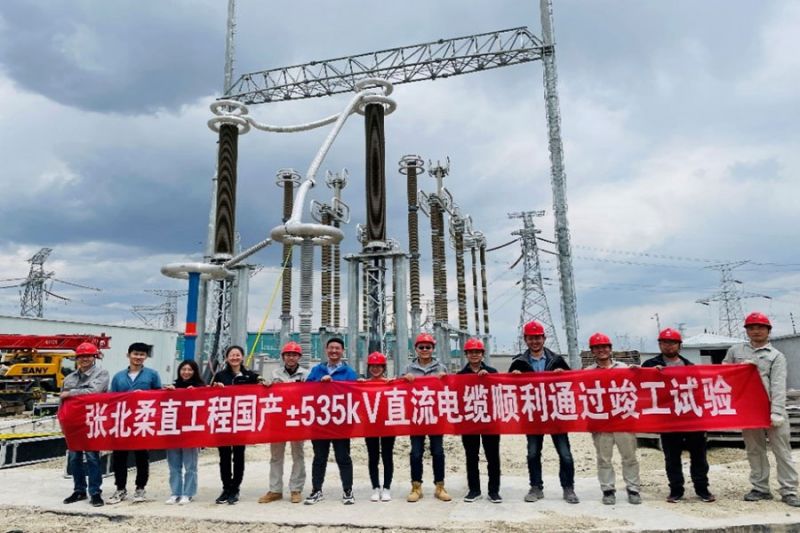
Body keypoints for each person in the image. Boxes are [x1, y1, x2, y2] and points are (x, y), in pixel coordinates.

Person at [724, 312, 800, 507]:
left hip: (772, 409)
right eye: (751, 328)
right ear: (746, 331)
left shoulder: (776, 356)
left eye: (760, 327)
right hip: (749, 410)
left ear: (768, 331)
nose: (756, 331)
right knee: (755, 450)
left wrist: (777, 411)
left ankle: (789, 490)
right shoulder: (735, 351)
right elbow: (723, 373)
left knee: (782, 451)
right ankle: (760, 488)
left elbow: (778, 385)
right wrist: (740, 368)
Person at [509, 320, 579, 504]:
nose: (535, 341)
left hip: (556, 414)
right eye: (531, 338)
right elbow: (509, 390)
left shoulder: (557, 360)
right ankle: (536, 487)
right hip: (533, 415)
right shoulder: (519, 363)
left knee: (565, 453)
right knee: (533, 453)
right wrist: (514, 378)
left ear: (544, 338)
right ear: (525, 339)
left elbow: (572, 384)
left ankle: (568, 488)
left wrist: (563, 375)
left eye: (538, 338)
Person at [642, 328, 715, 503]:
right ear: (660, 345)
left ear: (679, 345)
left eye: (672, 343)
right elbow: (640, 385)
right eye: (664, 343)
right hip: (668, 420)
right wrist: (650, 373)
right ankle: (676, 490)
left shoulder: (690, 366)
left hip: (691, 417)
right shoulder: (650, 364)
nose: (668, 346)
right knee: (672, 457)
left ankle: (702, 488)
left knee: (699, 456)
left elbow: (699, 391)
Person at [585, 333, 641, 505]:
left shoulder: (624, 369)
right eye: (597, 348)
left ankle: (633, 489)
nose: (601, 350)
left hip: (623, 420)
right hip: (601, 422)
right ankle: (608, 490)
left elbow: (640, 385)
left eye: (604, 347)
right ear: (592, 351)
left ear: (610, 349)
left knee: (629, 456)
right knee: (604, 458)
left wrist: (640, 372)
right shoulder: (587, 373)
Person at [304, 337, 359, 505]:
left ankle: (348, 490)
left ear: (342, 351)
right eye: (331, 348)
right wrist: (319, 383)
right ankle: (316, 490)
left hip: (341, 423)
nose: (334, 351)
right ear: (326, 350)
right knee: (319, 457)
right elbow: (305, 390)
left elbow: (355, 394)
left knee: (343, 457)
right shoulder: (317, 370)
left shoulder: (349, 372)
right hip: (320, 421)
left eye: (337, 348)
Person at [108, 342, 162, 504]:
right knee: (119, 457)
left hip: (142, 421)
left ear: (146, 357)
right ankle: (120, 489)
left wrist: (145, 395)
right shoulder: (118, 377)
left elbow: (159, 395)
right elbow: (111, 398)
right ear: (128, 355)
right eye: (135, 354)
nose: (138, 357)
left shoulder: (152, 375)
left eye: (142, 354)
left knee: (141, 457)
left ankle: (140, 488)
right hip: (122, 421)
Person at [402, 332, 452, 503]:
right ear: (416, 349)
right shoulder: (408, 369)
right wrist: (405, 380)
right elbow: (400, 391)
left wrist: (445, 380)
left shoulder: (441, 368)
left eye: (428, 347)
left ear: (433, 349)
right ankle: (416, 487)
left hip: (435, 417)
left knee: (438, 452)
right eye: (421, 347)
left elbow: (450, 390)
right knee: (416, 453)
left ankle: (440, 486)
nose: (424, 350)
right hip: (416, 417)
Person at [210, 344, 263, 505]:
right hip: (224, 421)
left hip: (241, 422)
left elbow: (261, 389)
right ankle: (226, 488)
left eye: (237, 355)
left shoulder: (250, 376)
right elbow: (209, 394)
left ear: (242, 357)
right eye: (231, 355)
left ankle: (235, 488)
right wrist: (215, 388)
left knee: (239, 456)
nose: (234, 357)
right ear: (227, 358)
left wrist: (263, 382)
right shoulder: (220, 375)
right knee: (224, 456)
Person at [259, 341, 309, 505]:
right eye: (288, 355)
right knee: (276, 456)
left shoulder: (306, 375)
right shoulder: (274, 373)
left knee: (298, 455)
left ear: (299, 357)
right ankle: (275, 490)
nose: (291, 358)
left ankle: (296, 489)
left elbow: (312, 394)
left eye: (294, 355)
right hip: (278, 420)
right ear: (283, 357)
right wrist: (266, 385)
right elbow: (265, 392)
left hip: (297, 419)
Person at [61, 342, 110, 507]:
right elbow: (63, 402)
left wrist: (71, 393)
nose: (84, 359)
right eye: (81, 356)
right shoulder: (69, 378)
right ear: (77, 358)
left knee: (92, 457)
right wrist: (62, 421)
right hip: (73, 424)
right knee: (74, 458)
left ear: (94, 357)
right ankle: (79, 490)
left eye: (88, 356)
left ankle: (95, 492)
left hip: (92, 421)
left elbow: (94, 392)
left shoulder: (101, 373)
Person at [458, 338, 502, 504]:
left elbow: (500, 393)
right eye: (471, 352)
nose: (474, 355)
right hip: (469, 421)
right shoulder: (460, 376)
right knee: (471, 456)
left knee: (492, 456)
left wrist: (488, 379)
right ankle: (474, 490)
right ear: (466, 354)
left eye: (477, 352)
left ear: (482, 354)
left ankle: (494, 491)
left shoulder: (492, 372)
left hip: (489, 421)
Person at [163, 359, 205, 505]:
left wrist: (196, 393)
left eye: (189, 370)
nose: (186, 372)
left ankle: (188, 493)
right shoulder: (173, 387)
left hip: (190, 432)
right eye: (183, 369)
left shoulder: (200, 387)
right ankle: (175, 492)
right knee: (174, 465)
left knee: (190, 465)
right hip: (173, 430)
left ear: (195, 372)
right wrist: (167, 392)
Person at [358, 351, 395, 502]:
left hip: (387, 425)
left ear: (384, 367)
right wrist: (358, 386)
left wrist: (396, 384)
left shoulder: (390, 384)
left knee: (387, 456)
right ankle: (375, 487)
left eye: (379, 366)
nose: (375, 369)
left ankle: (386, 487)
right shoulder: (363, 384)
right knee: (373, 456)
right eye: (372, 366)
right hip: (370, 425)